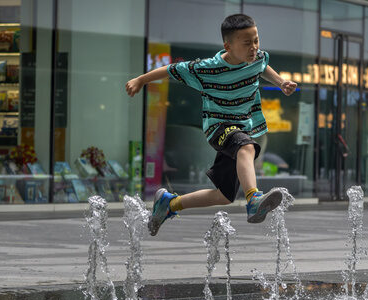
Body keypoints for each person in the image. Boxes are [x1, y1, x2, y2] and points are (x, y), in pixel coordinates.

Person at [126, 14, 297, 236]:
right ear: (228, 45)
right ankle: (253, 199)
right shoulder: (206, 68)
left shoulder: (257, 58)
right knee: (247, 147)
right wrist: (140, 80)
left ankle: (169, 204)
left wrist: (281, 82)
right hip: (218, 127)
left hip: (241, 126)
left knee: (224, 195)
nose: (253, 47)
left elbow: (263, 67)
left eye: (256, 40)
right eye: (247, 43)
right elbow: (171, 70)